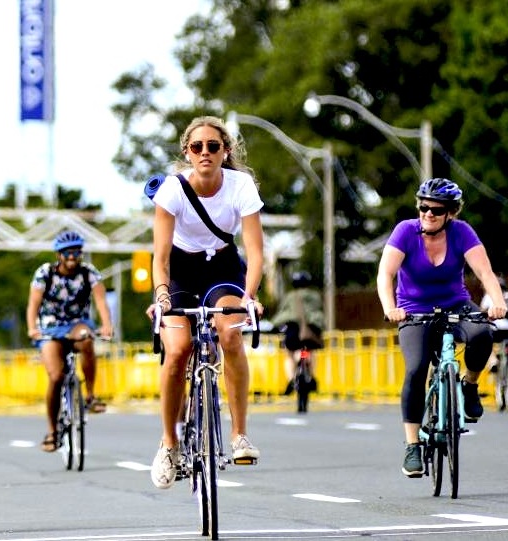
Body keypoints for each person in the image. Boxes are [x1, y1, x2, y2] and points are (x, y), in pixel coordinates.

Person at [144, 115, 265, 489]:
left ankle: (239, 435)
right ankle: (169, 444)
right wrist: (162, 295)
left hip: (223, 266)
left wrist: (249, 297)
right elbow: (160, 258)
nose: (205, 153)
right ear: (187, 153)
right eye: (197, 147)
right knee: (178, 348)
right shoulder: (172, 191)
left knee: (229, 333)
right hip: (180, 271)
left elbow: (256, 253)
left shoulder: (241, 185)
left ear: (225, 151)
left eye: (213, 146)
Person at [376, 178, 507, 478]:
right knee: (416, 368)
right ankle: (412, 446)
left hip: (456, 304)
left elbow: (485, 272)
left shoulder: (462, 233)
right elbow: (385, 274)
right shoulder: (405, 231)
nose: (428, 214)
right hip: (412, 310)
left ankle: (470, 385)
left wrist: (497, 303)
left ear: (450, 213)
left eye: (436, 210)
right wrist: (389, 308)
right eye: (423, 207)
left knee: (483, 333)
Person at [26, 230, 114, 453]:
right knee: (56, 376)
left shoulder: (89, 273)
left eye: (76, 252)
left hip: (77, 323)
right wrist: (32, 328)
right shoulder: (45, 273)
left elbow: (101, 301)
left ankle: (91, 395)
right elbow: (33, 304)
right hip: (50, 327)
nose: (72, 256)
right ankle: (52, 431)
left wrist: (106, 325)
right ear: (59, 254)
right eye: (67, 252)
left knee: (87, 340)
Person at [270, 270, 325, 395]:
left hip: (294, 329)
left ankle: (291, 380)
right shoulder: (315, 296)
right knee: (310, 351)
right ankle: (311, 376)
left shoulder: (290, 297)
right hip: (311, 330)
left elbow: (282, 313)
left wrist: (274, 326)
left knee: (289, 354)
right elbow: (320, 313)